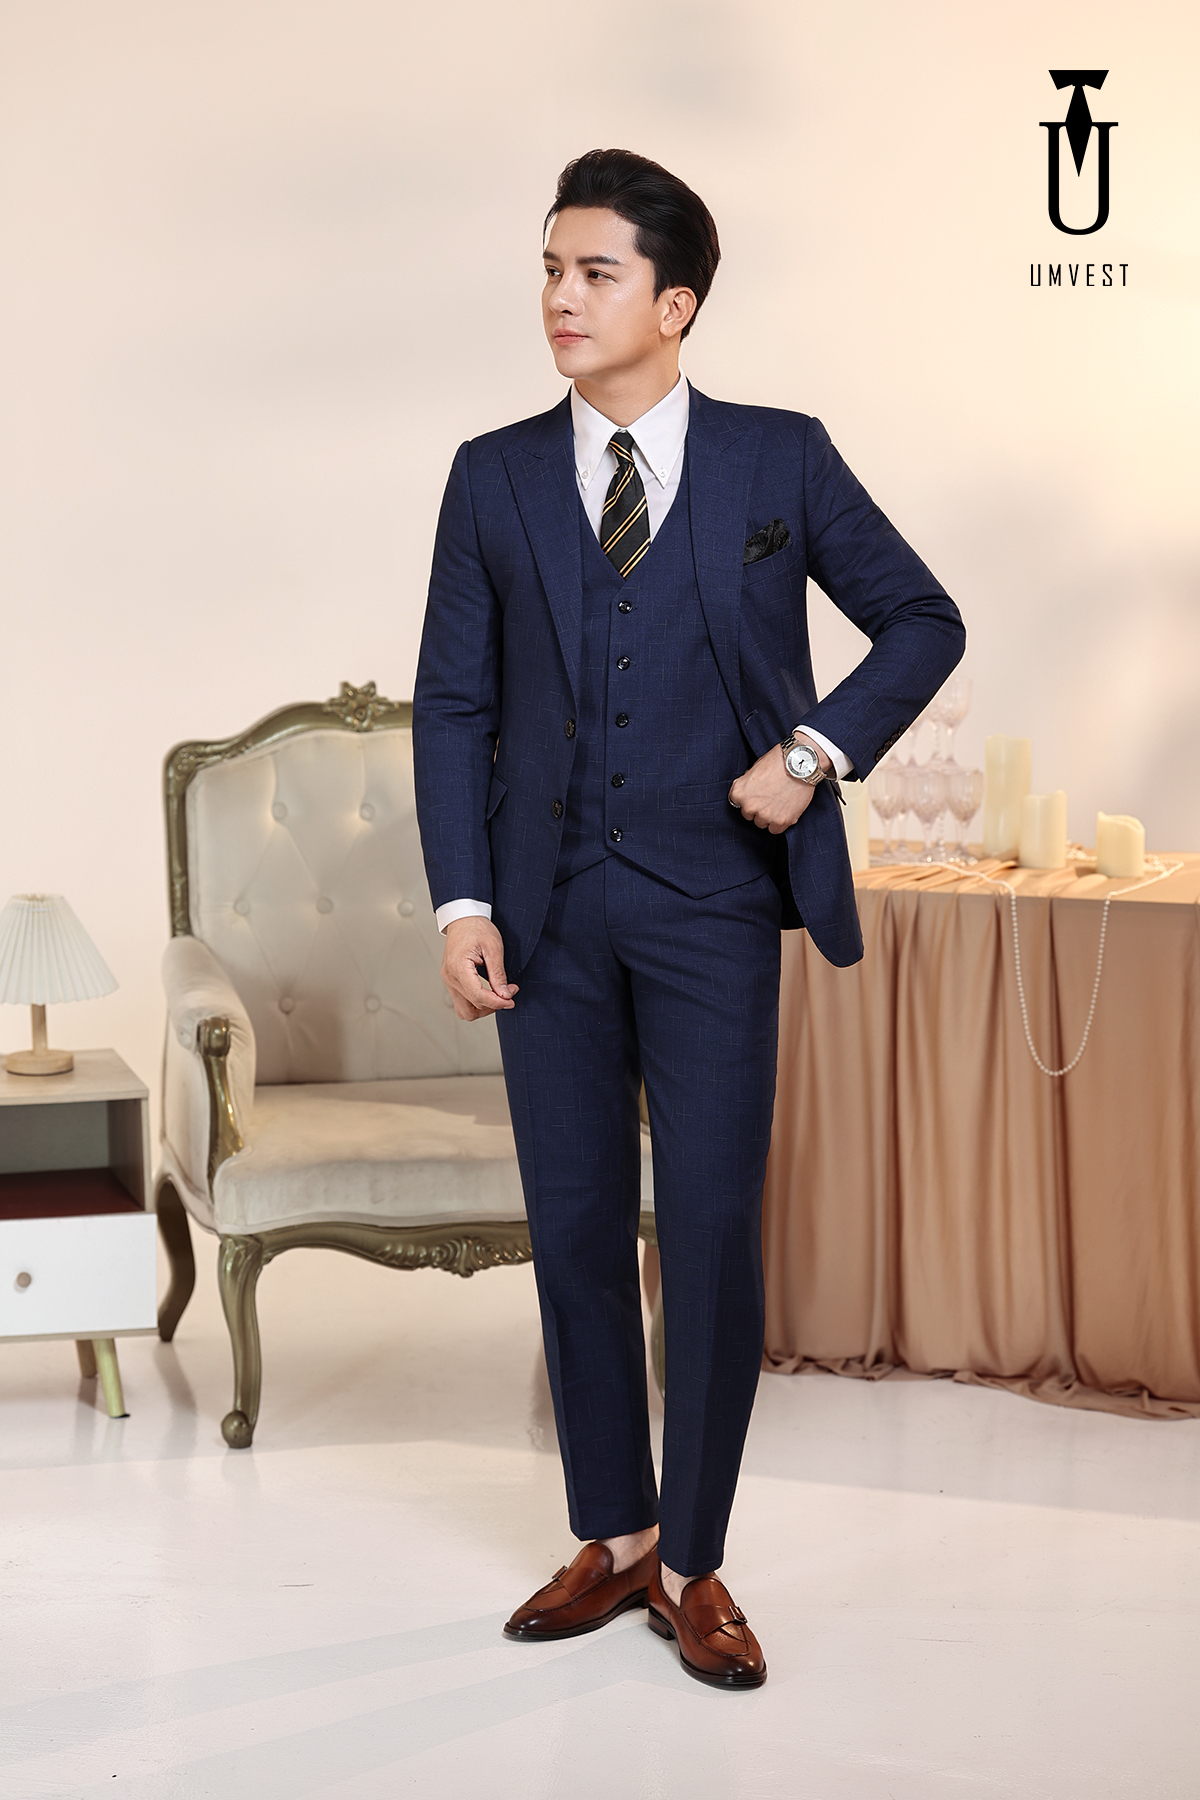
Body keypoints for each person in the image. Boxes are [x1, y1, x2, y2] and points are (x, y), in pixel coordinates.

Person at [413, 148, 964, 1689]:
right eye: (548, 269)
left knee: (710, 1231)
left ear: (675, 305)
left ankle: (695, 1559)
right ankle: (615, 1533)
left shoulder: (780, 460)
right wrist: (462, 898)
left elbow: (924, 618)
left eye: (593, 273)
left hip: (716, 906)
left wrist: (813, 753)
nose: (559, 298)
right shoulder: (491, 475)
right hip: (545, 915)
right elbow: (452, 703)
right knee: (578, 1227)